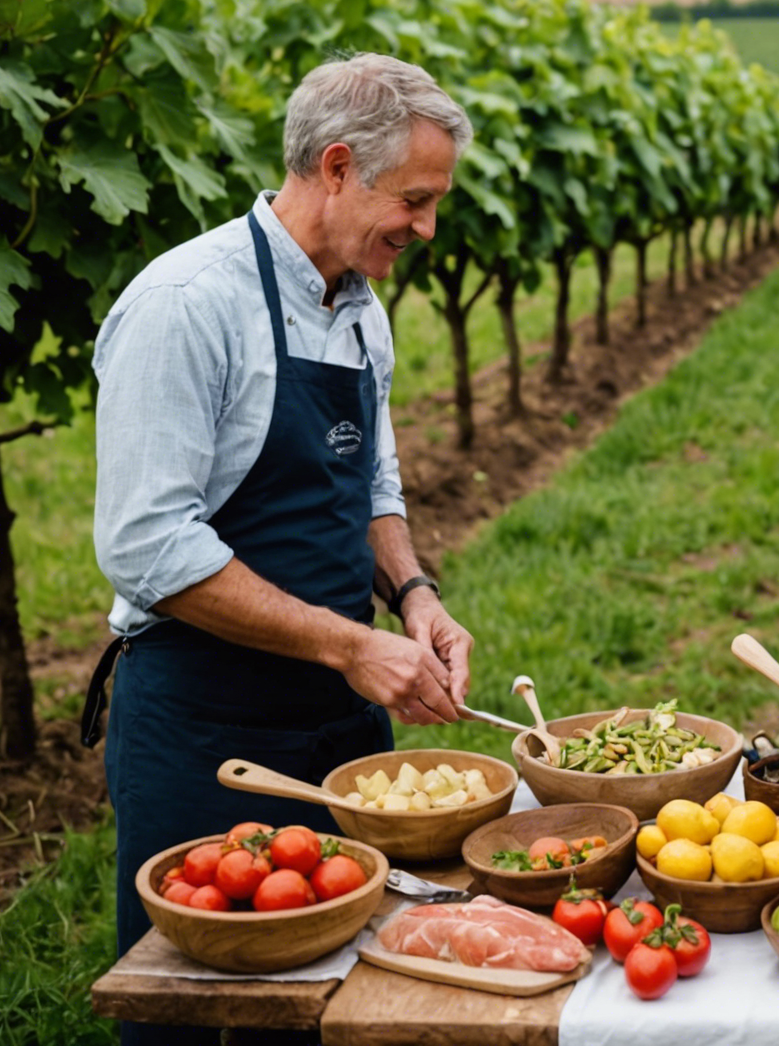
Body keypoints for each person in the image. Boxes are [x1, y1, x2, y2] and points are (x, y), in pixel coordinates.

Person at [89, 54, 476, 1032]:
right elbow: (146, 545)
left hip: (341, 716)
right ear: (338, 166)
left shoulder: (358, 307)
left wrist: (415, 596)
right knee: (187, 993)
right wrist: (349, 644)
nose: (429, 227)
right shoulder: (189, 304)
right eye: (417, 199)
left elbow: (371, 483)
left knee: (340, 987)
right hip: (204, 721)